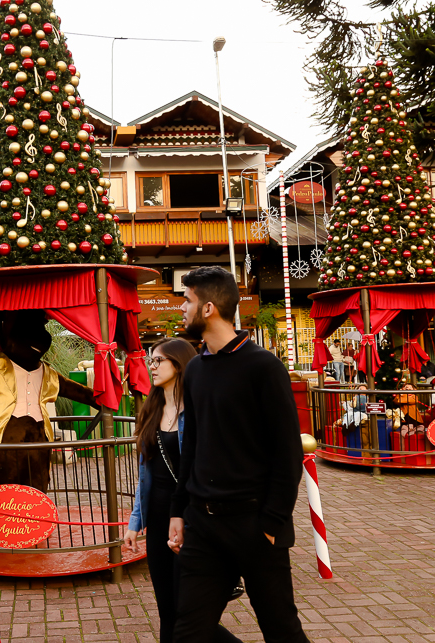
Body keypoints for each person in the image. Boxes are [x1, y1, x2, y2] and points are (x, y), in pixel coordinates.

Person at [169, 266, 309, 643]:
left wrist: (271, 523)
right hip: (203, 525)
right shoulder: (195, 370)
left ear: (209, 308)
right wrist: (179, 511)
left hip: (255, 523)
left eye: (187, 300)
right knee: (188, 633)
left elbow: (287, 452)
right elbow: (191, 445)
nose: (182, 308)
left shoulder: (264, 367)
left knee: (281, 630)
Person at [124, 338, 242, 642]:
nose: (152, 367)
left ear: (178, 364)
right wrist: (135, 521)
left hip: (191, 519)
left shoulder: (198, 411)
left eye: (158, 361)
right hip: (158, 519)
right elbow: (145, 476)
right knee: (167, 609)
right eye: (150, 361)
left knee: (189, 614)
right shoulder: (151, 409)